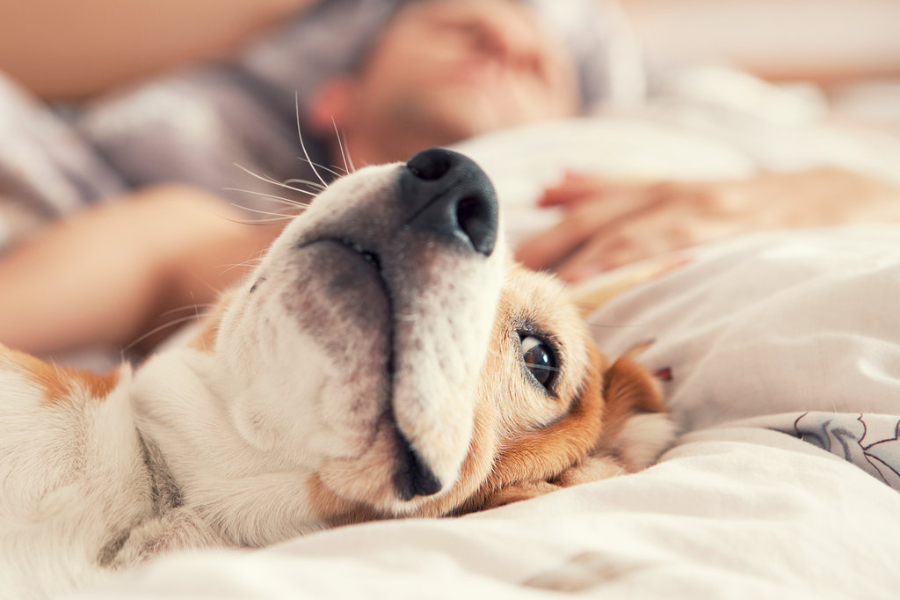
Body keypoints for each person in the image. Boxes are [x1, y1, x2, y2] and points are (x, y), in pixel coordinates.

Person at [2, 0, 899, 356]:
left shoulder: (692, 150)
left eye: (537, 58)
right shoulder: (203, 235)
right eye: (454, 23)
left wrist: (807, 193)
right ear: (335, 99)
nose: (507, 33)